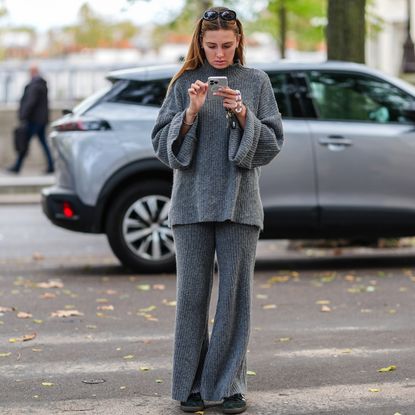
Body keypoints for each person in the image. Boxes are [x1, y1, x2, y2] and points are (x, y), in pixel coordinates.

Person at [151, 6, 284, 414]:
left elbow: (273, 143)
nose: (220, 54)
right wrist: (190, 113)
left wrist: (243, 114)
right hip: (190, 206)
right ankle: (190, 387)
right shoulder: (183, 83)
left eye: (227, 45)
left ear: (239, 40)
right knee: (191, 298)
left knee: (233, 300)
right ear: (200, 43)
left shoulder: (257, 82)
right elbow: (162, 146)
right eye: (212, 46)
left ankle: (226, 387)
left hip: (240, 206)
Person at [7, 64, 54, 174]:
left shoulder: (35, 85)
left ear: (33, 72)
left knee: (24, 142)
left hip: (34, 120)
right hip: (40, 120)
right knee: (42, 143)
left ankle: (17, 166)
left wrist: (23, 115)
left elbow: (30, 102)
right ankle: (51, 165)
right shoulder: (41, 84)